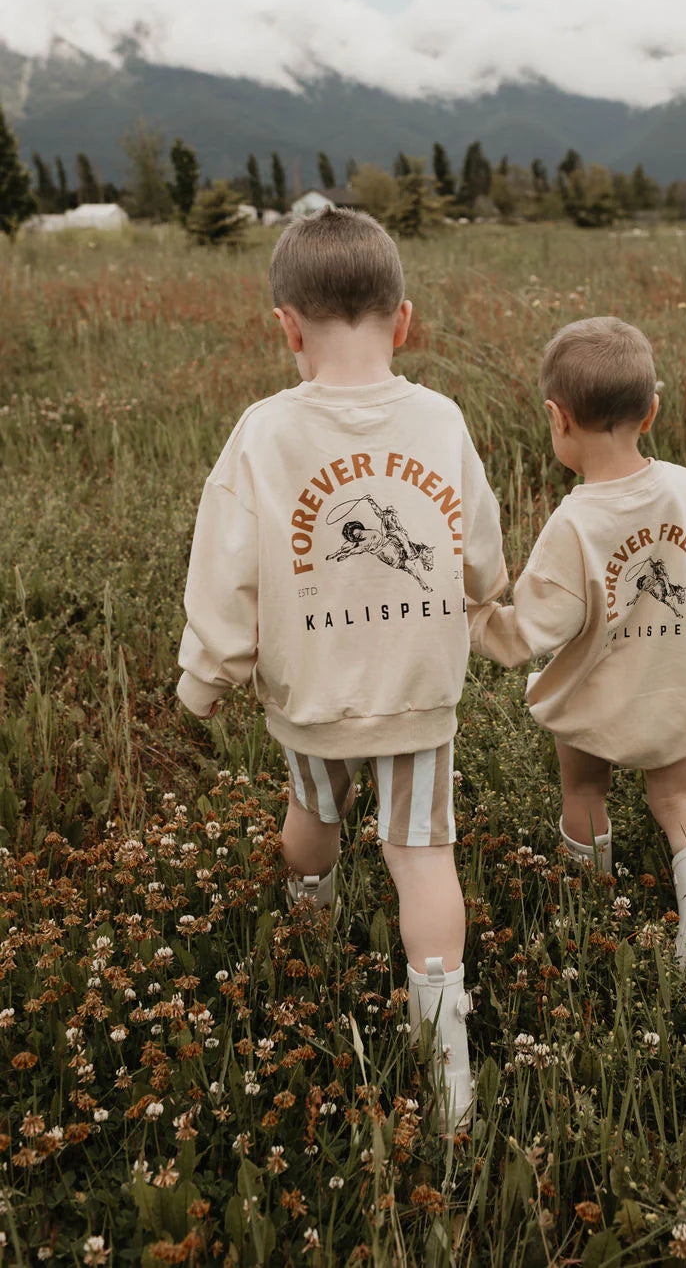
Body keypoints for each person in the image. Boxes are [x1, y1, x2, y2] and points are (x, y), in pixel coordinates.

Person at [176, 206, 507, 1128]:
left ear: (286, 325)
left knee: (313, 814)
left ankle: (307, 943)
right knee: (423, 858)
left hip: (312, 692)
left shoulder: (264, 431)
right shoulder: (440, 418)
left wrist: (208, 672)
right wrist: (487, 593)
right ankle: (451, 1076)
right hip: (415, 693)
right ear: (404, 318)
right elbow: (475, 537)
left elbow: (226, 561)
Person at [471, 316, 686, 976]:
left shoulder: (576, 521)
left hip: (593, 691)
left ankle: (588, 918)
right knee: (680, 801)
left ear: (557, 418)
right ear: (651, 411)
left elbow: (532, 629)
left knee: (585, 790)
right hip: (671, 679)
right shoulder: (682, 485)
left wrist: (473, 615)